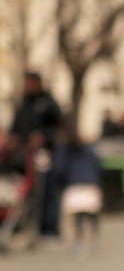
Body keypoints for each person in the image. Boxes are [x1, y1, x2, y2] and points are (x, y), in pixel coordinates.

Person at [8, 71, 63, 240]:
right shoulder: (23, 105)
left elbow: (59, 129)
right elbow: (15, 128)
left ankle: (48, 229)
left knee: (47, 192)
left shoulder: (48, 103)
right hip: (23, 157)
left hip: (44, 156)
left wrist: (43, 137)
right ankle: (22, 226)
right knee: (23, 193)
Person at [52, 122, 103, 258]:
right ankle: (95, 240)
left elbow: (58, 169)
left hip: (74, 185)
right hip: (90, 183)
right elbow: (97, 165)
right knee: (92, 216)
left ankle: (79, 244)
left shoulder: (64, 150)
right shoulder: (88, 149)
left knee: (78, 218)